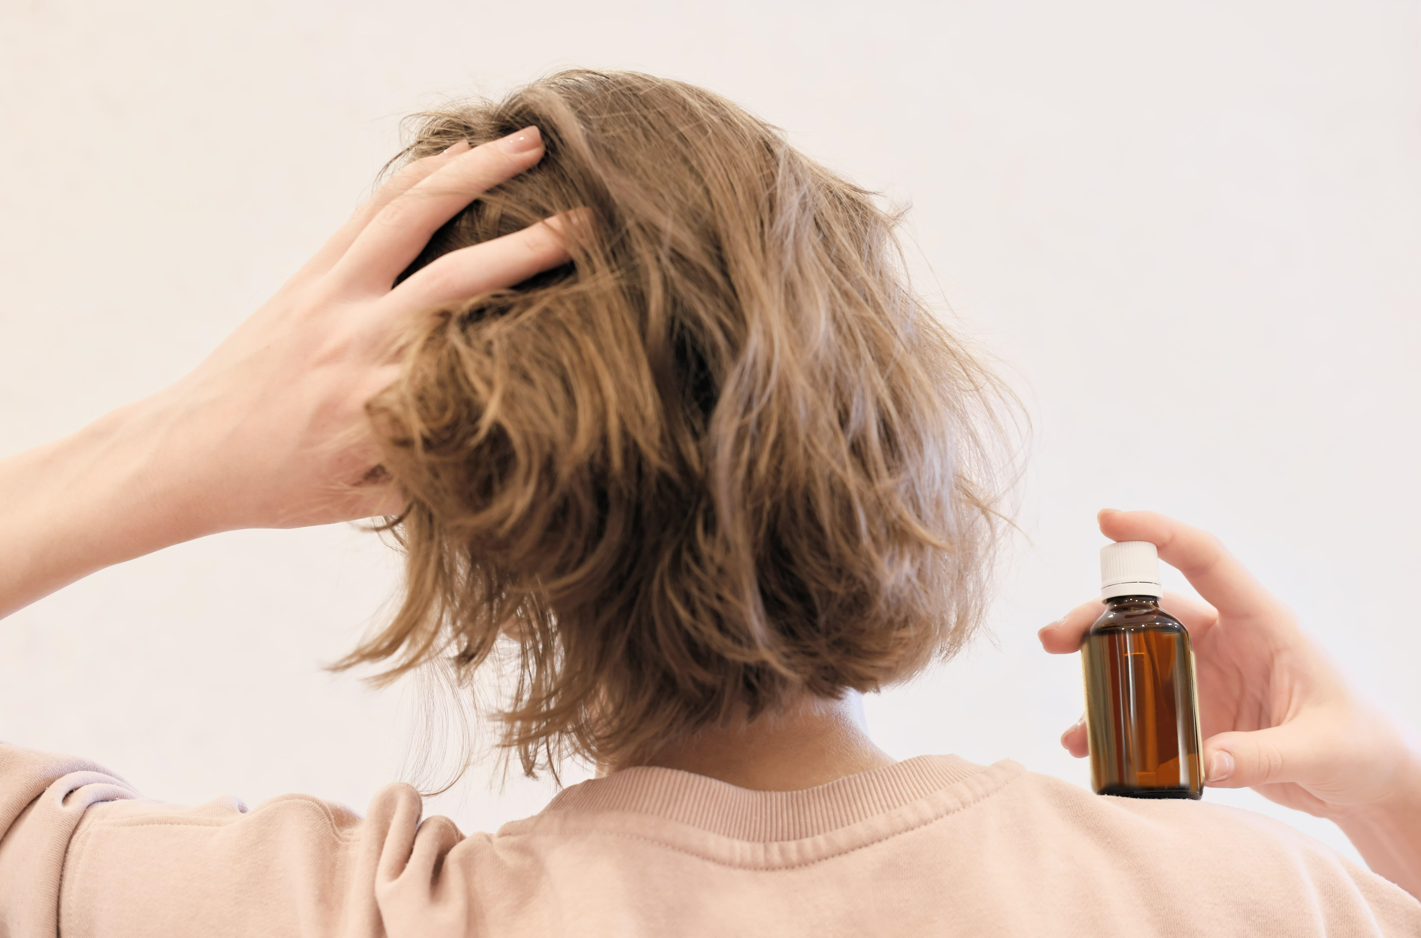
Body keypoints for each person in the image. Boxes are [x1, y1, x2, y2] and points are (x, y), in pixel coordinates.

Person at [0, 69, 1417, 936]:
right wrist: (1396, 804)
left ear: (453, 495)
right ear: (882, 414)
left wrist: (170, 447)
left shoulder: (342, 915)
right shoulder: (1234, 901)